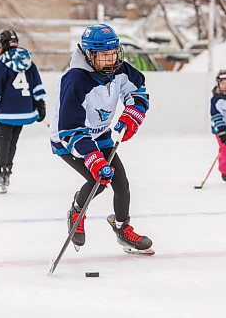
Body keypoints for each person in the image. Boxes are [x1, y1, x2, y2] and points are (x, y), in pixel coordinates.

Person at [49, 24, 152, 252]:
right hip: (69, 141)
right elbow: (69, 128)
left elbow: (137, 90)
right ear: (89, 54)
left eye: (113, 53)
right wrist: (93, 158)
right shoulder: (75, 80)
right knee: (99, 181)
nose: (110, 59)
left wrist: (133, 112)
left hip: (100, 134)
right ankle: (77, 210)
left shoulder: (119, 69)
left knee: (122, 183)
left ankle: (122, 228)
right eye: (104, 55)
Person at [0, 29, 47, 193]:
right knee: (12, 143)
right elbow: (36, 84)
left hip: (6, 113)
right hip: (24, 111)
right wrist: (40, 104)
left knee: (3, 143)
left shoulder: (2, 64)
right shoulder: (28, 61)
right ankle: (6, 172)